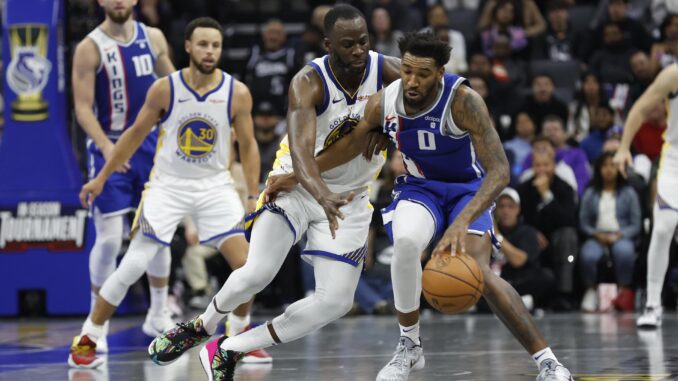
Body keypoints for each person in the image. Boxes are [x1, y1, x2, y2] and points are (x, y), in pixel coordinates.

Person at [269, 31, 574, 381]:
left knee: (478, 273)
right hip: (420, 187)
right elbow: (350, 145)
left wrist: (462, 222)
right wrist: (297, 174)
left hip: (467, 190)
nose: (412, 80)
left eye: (423, 74)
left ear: (440, 73)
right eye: (408, 70)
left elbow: (500, 172)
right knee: (407, 244)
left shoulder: (464, 101)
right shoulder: (387, 100)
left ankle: (548, 361)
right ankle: (409, 347)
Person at [147, 5, 402, 379]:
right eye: (348, 44)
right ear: (328, 45)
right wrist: (317, 190)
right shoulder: (308, 81)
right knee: (258, 271)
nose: (359, 50)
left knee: (336, 301)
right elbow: (301, 156)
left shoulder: (389, 71)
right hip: (295, 185)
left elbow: (437, 90)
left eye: (364, 41)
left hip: (349, 196)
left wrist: (393, 126)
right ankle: (202, 325)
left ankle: (230, 348)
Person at [68, 17, 266, 368]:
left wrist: (252, 193)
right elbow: (131, 135)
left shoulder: (238, 92)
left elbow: (249, 146)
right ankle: (90, 334)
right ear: (188, 47)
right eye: (203, 44)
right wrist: (101, 177)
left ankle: (239, 337)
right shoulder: (165, 88)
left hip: (214, 186)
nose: (210, 51)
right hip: (167, 186)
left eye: (216, 45)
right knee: (133, 263)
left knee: (249, 267)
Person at [72, 0, 175, 351]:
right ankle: (95, 319)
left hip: (150, 146)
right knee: (110, 238)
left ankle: (158, 313)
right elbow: (83, 108)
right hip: (109, 144)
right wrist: (106, 149)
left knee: (156, 230)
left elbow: (175, 85)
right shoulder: (89, 47)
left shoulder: (155, 37)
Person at [614, 63, 678, 328]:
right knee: (663, 229)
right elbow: (640, 107)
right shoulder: (674, 74)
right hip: (675, 162)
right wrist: (623, 147)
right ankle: (653, 304)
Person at [579, 152, 641, 312]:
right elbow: (583, 221)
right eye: (604, 166)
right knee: (588, 255)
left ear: (619, 168)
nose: (608, 170)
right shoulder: (590, 193)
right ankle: (591, 290)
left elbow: (636, 223)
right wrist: (595, 234)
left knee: (625, 252)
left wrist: (620, 235)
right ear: (599, 169)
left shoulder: (629, 193)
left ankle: (623, 290)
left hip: (621, 234)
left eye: (612, 165)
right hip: (597, 235)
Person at [494, 188, 556, 310]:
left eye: (510, 206)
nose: (506, 211)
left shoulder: (527, 232)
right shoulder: (486, 232)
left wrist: (498, 237)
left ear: (518, 209)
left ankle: (507, 301)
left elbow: (519, 261)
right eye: (501, 206)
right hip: (496, 281)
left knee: (546, 277)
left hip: (518, 281)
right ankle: (512, 302)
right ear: (495, 210)